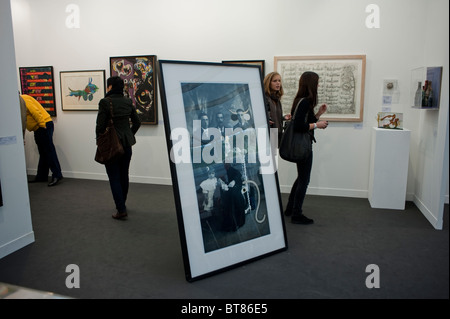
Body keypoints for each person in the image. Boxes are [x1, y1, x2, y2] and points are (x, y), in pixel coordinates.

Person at [284, 72, 328, 224]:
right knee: (304, 179)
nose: (318, 85)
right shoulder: (304, 102)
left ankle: (290, 208)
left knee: (301, 178)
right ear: (311, 84)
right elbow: (299, 126)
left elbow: (306, 121)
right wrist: (317, 124)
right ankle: (297, 214)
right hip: (304, 147)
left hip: (302, 146)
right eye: (317, 83)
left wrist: (318, 114)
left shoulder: (301, 101)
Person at [96, 76, 141, 220]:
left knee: (114, 177)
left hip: (111, 146)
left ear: (110, 87)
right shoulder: (128, 101)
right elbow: (137, 122)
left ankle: (121, 209)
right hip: (126, 145)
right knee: (124, 175)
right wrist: (128, 134)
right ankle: (123, 204)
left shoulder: (105, 102)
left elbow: (100, 126)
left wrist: (100, 140)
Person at [22, 94, 63, 186]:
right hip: (39, 127)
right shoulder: (22, 100)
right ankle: (42, 176)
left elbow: (35, 111)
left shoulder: (23, 99)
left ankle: (57, 174)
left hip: (43, 125)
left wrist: (42, 125)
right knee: (43, 152)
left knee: (49, 151)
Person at [263, 72, 291, 145]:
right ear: (268, 83)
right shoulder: (264, 98)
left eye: (279, 81)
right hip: (267, 135)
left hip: (277, 134)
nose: (278, 83)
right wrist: (266, 120)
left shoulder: (277, 99)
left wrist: (284, 117)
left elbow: (274, 117)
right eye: (275, 81)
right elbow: (263, 116)